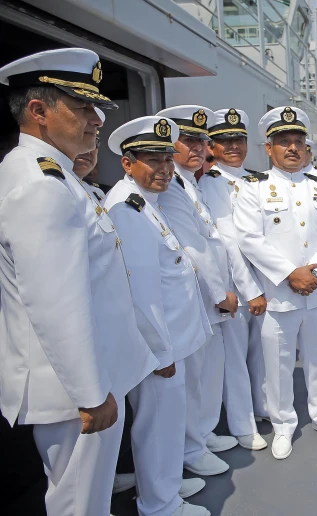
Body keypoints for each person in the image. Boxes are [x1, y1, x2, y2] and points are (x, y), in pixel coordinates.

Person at [0, 48, 157, 516]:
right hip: (76, 390)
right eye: (83, 107)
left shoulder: (56, 176)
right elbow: (55, 303)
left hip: (87, 376)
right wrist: (90, 394)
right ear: (38, 112)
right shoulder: (41, 186)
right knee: (79, 506)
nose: (97, 120)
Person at [105, 116, 213, 516]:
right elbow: (140, 294)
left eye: (168, 158)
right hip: (158, 350)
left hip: (171, 342)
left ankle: (166, 490)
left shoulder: (146, 201)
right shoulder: (128, 210)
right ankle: (159, 505)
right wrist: (161, 353)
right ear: (127, 162)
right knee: (157, 427)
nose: (165, 168)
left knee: (166, 425)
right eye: (153, 159)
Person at [157, 105, 266, 473]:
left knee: (210, 370)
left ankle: (201, 437)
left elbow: (215, 240)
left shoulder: (190, 184)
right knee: (195, 377)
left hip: (216, 294)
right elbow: (199, 247)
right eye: (188, 140)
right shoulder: (177, 187)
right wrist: (223, 293)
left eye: (201, 141)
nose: (198, 148)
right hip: (207, 296)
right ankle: (193, 449)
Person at [234, 106, 317, 459]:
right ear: (269, 148)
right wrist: (289, 274)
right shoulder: (254, 187)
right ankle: (283, 424)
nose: (293, 148)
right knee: (278, 364)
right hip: (279, 293)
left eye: (298, 141)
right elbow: (249, 239)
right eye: (284, 142)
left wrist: (313, 273)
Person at [200, 108, 270, 423]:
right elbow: (229, 241)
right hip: (239, 285)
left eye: (239, 139)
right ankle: (243, 422)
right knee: (237, 359)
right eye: (224, 140)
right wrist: (250, 289)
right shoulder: (212, 183)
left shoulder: (256, 179)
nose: (233, 146)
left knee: (263, 354)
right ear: (211, 147)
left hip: (266, 283)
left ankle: (263, 407)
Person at [73, 107, 106, 202]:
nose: (88, 150)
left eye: (94, 142)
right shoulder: (52, 183)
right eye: (81, 139)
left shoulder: (97, 192)